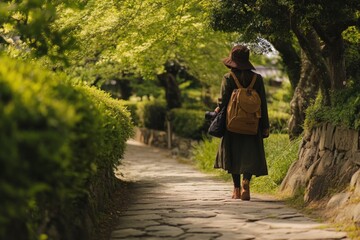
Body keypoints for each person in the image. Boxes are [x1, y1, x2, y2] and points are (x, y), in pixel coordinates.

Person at [214, 45, 270, 200]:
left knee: (234, 154)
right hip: (253, 123)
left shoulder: (228, 77)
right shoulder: (257, 79)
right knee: (249, 154)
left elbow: (224, 101)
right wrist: (265, 125)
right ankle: (246, 182)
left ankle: (236, 189)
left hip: (232, 123)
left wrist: (217, 111)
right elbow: (263, 103)